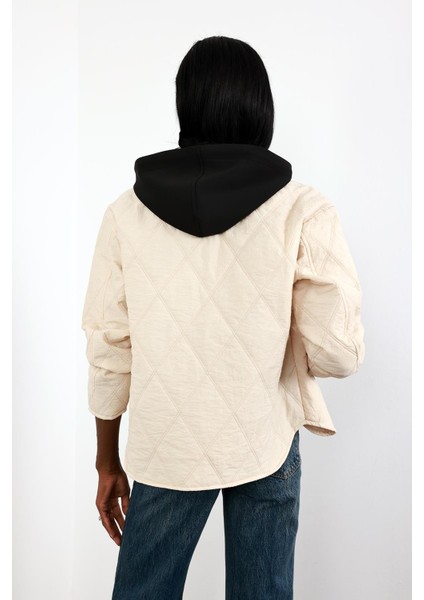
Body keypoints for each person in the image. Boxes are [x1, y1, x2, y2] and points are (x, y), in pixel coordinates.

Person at [81, 35, 365, 600]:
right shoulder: (302, 208)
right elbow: (338, 354)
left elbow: (109, 350)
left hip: (166, 448)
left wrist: (106, 461)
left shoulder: (126, 213)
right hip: (266, 441)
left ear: (186, 106)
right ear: (261, 108)